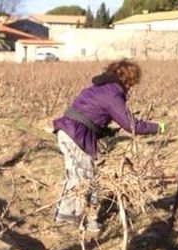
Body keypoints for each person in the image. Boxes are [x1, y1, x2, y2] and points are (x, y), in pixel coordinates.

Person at [53, 59, 166, 232]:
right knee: (87, 179)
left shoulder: (97, 88)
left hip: (67, 131)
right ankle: (87, 222)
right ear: (128, 79)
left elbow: (88, 114)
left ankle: (65, 215)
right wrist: (159, 127)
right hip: (76, 135)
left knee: (75, 176)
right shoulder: (112, 93)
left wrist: (103, 131)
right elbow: (132, 125)